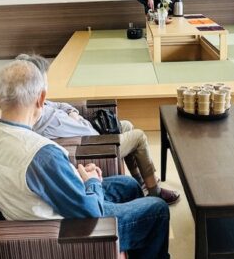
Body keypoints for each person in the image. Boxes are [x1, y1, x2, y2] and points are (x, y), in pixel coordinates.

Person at [0, 59, 180, 259]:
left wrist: (79, 177)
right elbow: (90, 212)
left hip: (38, 211)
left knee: (127, 185)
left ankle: (148, 257)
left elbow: (38, 183)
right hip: (67, 231)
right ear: (41, 99)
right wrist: (91, 182)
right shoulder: (40, 153)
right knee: (157, 209)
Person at [16, 54, 179, 204]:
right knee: (139, 137)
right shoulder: (41, 117)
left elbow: (60, 105)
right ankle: (155, 192)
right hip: (95, 145)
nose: (47, 85)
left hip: (93, 133)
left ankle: (141, 182)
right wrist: (94, 133)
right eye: (44, 81)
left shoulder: (40, 103)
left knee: (127, 125)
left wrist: (72, 112)